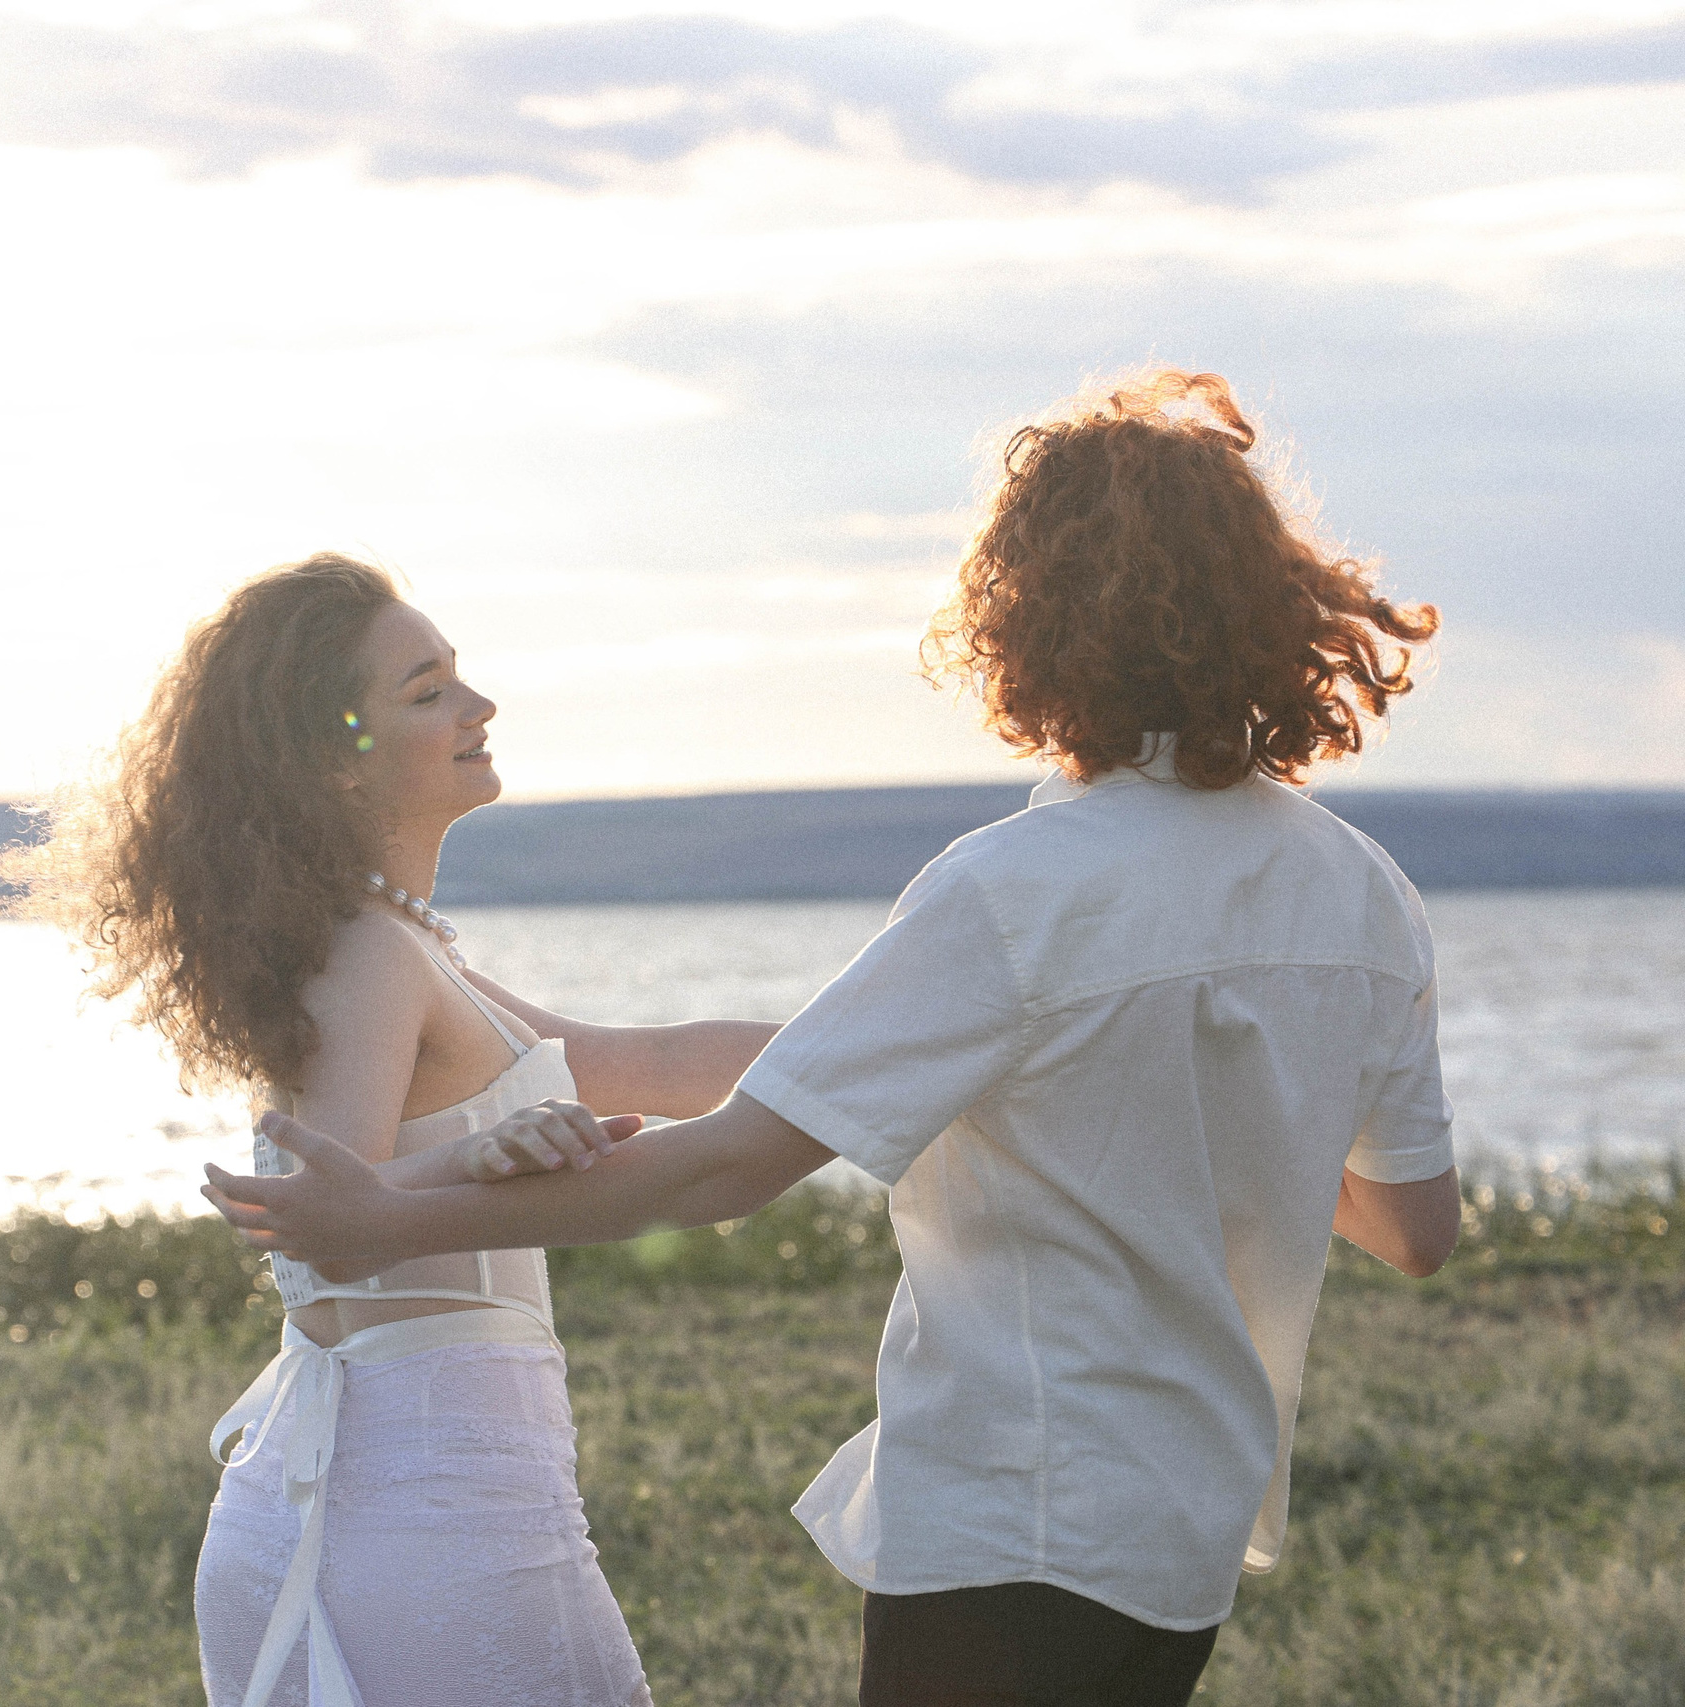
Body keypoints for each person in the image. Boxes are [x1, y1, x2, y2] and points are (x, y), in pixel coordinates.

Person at [203, 372, 1466, 1707]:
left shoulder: (1014, 888)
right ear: (1267, 606)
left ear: (1027, 617)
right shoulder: (1366, 891)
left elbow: (728, 1166)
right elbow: (1413, 1226)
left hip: (1008, 1519)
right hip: (1189, 1526)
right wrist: (1218, 1096)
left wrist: (386, 1220)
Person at [1, 553, 779, 1707]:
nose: (478, 708)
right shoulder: (371, 955)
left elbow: (654, 1064)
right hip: (423, 1524)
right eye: (428, 693)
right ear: (330, 759)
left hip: (398, 1505)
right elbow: (330, 1231)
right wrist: (473, 1161)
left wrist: (921, 1038)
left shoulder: (403, 948)